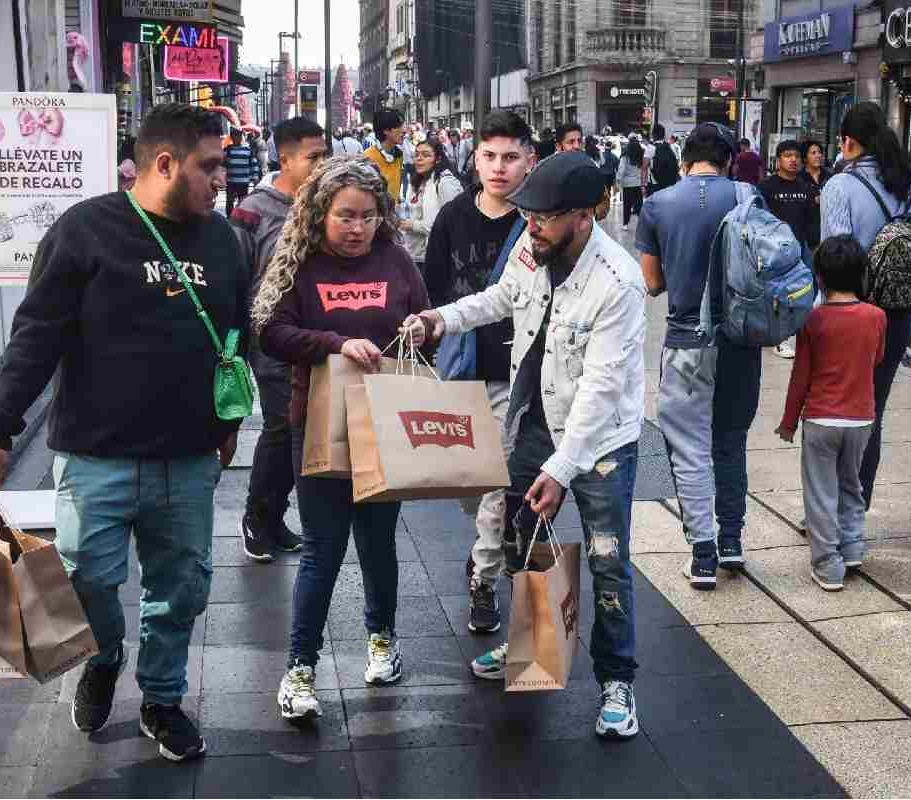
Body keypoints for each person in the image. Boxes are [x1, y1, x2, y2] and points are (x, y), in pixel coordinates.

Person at [0, 104, 246, 762]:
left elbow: (234, 334)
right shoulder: (86, 230)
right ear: (165, 164)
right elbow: (36, 336)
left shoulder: (223, 240)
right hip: (95, 458)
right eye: (208, 167)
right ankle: (103, 658)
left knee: (181, 590)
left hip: (187, 459)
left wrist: (228, 418)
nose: (218, 180)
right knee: (86, 581)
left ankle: (163, 699)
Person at [404, 152, 647, 740]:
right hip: (536, 417)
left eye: (543, 217)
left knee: (607, 559)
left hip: (600, 442)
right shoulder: (532, 249)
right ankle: (533, 651)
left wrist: (562, 469)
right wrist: (441, 319)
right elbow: (499, 299)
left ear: (585, 217)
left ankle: (617, 681)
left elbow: (601, 388)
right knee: (525, 535)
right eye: (527, 214)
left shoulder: (618, 282)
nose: (530, 225)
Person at [254, 156, 431, 721]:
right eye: (345, 217)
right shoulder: (302, 264)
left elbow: (425, 317)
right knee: (322, 550)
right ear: (319, 214)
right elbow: (272, 332)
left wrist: (420, 327)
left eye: (369, 217)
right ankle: (300, 670)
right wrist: (333, 342)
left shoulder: (397, 261)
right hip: (320, 426)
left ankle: (383, 641)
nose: (357, 229)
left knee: (379, 544)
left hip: (386, 422)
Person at [636, 122, 762, 589]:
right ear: (729, 160)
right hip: (740, 341)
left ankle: (703, 554)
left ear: (685, 160)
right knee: (730, 441)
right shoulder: (748, 196)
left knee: (689, 450)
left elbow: (652, 283)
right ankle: (732, 541)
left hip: (687, 341)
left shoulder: (658, 204)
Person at [424, 110, 535, 633]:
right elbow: (437, 288)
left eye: (510, 157)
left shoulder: (539, 219)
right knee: (471, 486)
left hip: (516, 372)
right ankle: (484, 547)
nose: (498, 167)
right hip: (462, 368)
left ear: (529, 160)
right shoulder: (452, 217)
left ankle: (484, 580)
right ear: (476, 157)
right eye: (489, 156)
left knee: (496, 483)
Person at [232, 118, 329, 562]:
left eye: (324, 154)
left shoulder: (326, 202)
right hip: (269, 337)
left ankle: (272, 517)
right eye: (313, 156)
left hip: (317, 336)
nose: (321, 163)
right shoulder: (254, 209)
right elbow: (233, 275)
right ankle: (257, 515)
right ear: (284, 159)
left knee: (302, 427)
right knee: (281, 425)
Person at [821, 101, 911, 510]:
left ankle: (832, 507)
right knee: (872, 408)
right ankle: (856, 506)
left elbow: (834, 257)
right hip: (901, 307)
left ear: (848, 141)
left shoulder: (840, 186)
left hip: (852, 312)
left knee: (835, 411)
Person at [775, 236, 885, 591]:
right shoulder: (877, 317)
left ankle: (827, 564)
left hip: (821, 419)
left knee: (821, 492)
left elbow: (801, 375)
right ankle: (852, 545)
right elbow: (877, 359)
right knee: (852, 483)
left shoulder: (813, 320)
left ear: (818, 277)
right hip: (861, 417)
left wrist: (789, 421)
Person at [760, 140, 815, 360]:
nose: (793, 160)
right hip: (772, 249)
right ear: (778, 159)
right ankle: (776, 336)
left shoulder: (805, 189)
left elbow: (812, 220)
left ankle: (786, 334)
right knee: (774, 292)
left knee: (797, 292)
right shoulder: (766, 187)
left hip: (800, 247)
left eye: (796, 156)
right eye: (787, 155)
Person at [401, 138, 463, 272]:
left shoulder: (446, 183)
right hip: (414, 255)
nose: (419, 158)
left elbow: (453, 224)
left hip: (438, 257)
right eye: (416, 154)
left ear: (438, 159)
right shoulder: (416, 182)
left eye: (426, 155)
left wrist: (413, 225)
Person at [364, 108, 407, 203]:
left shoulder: (398, 155)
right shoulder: (368, 158)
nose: (404, 130)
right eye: (399, 126)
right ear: (386, 130)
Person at [800, 139, 832, 251]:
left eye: (819, 152)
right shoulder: (800, 178)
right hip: (807, 233)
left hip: (828, 230)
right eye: (813, 153)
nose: (818, 155)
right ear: (805, 157)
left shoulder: (830, 176)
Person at [224, 128, 259, 215]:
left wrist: (255, 177)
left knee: (242, 202)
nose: (237, 138)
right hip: (231, 181)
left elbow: (253, 164)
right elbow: (221, 164)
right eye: (235, 136)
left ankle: (239, 219)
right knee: (229, 201)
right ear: (231, 137)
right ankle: (229, 219)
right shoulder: (227, 150)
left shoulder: (248, 150)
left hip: (243, 182)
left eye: (239, 136)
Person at [616, 137, 645, 229]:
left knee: (627, 205)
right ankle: (642, 224)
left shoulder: (625, 157)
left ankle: (625, 224)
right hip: (637, 183)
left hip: (627, 184)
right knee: (639, 205)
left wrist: (618, 180)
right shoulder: (641, 156)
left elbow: (621, 170)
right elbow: (643, 170)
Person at [648, 124, 681, 193]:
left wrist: (643, 184)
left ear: (653, 134)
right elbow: (676, 162)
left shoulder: (650, 147)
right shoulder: (670, 147)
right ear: (664, 135)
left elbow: (644, 167)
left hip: (656, 183)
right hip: (670, 182)